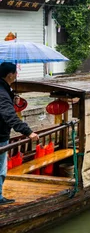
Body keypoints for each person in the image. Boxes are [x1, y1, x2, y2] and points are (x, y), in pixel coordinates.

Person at [0, 62, 39, 205]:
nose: (17, 76)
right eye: (16, 73)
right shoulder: (3, 93)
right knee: (0, 169)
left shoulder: (5, 92)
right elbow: (9, 116)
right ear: (10, 75)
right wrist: (28, 132)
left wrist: (12, 100)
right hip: (0, 136)